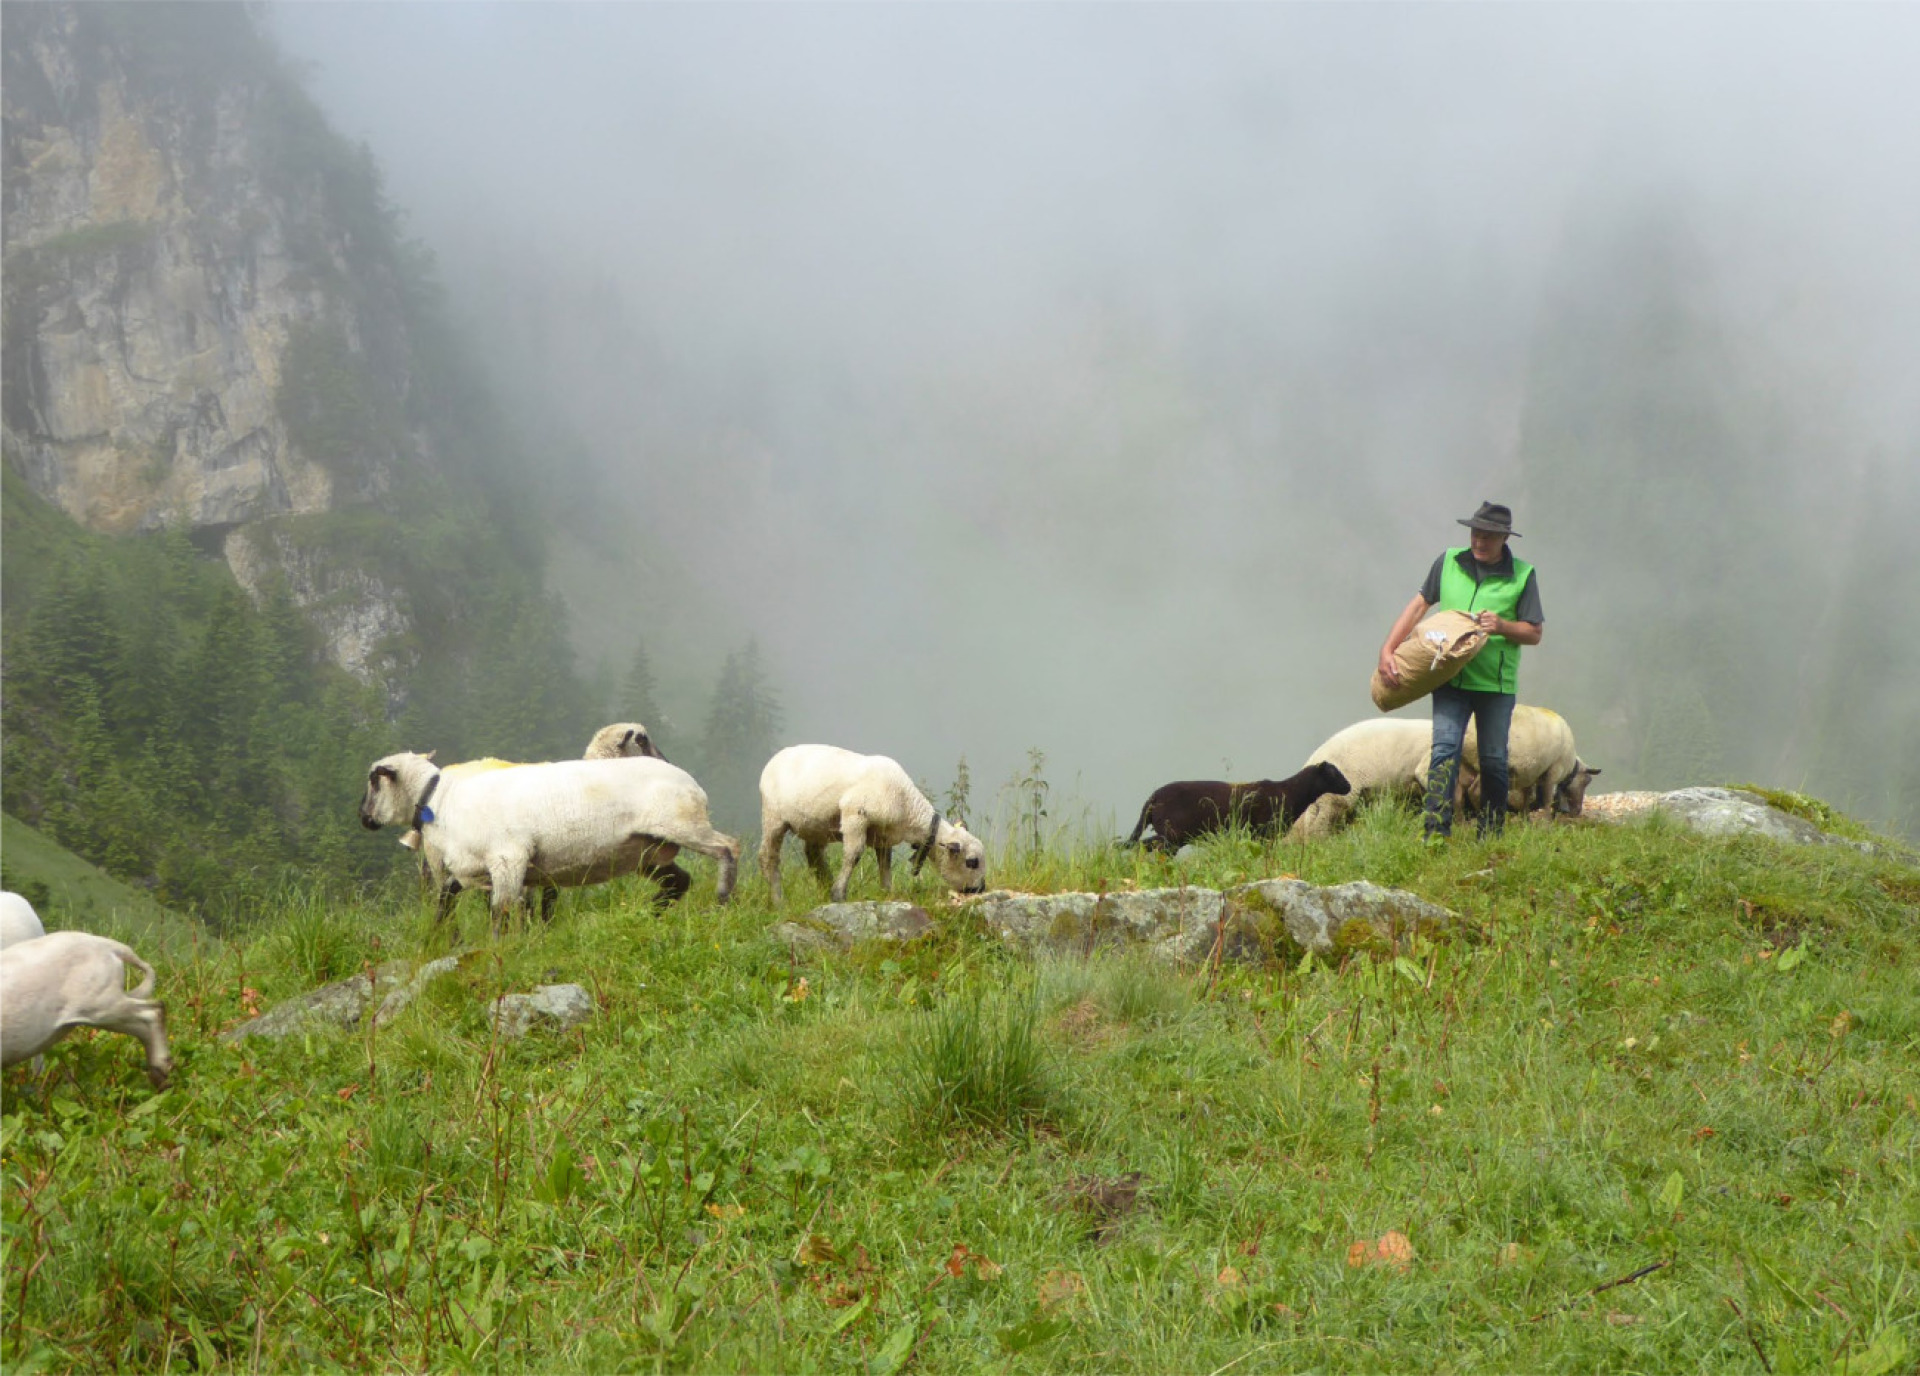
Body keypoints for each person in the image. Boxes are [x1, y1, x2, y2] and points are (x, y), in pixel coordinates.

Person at [1377, 501, 1544, 839]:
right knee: (1444, 752)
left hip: (1495, 685)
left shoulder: (1523, 575)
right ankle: (1436, 833)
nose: (1479, 541)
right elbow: (1419, 605)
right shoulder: (1449, 561)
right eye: (1475, 533)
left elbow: (1534, 632)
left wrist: (1501, 626)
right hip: (1449, 677)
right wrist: (1388, 649)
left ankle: (1491, 833)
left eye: (1488, 536)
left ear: (1503, 539)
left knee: (1494, 760)